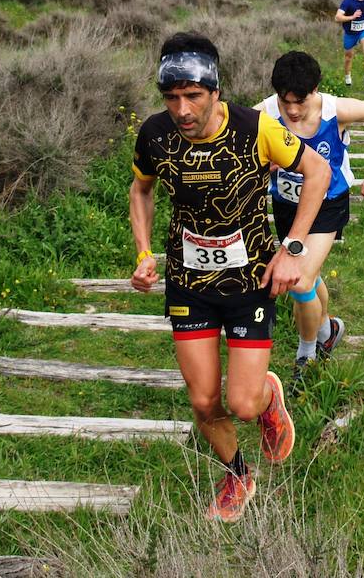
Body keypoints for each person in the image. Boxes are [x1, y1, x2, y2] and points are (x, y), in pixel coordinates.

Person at [130, 33, 330, 523]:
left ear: (215, 90)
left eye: (193, 96)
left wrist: (292, 249)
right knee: (202, 399)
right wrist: (143, 251)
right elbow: (141, 190)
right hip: (187, 282)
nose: (181, 109)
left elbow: (318, 172)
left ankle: (267, 398)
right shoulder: (155, 134)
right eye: (171, 97)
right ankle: (237, 473)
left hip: (249, 283)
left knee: (241, 402)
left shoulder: (255, 128)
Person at [260, 51, 364, 388]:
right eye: (285, 101)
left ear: (316, 90)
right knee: (310, 273)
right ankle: (328, 330)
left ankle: (307, 355)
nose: (292, 110)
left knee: (300, 281)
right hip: (287, 205)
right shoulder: (264, 113)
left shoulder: (335, 110)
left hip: (327, 203)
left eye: (300, 101)